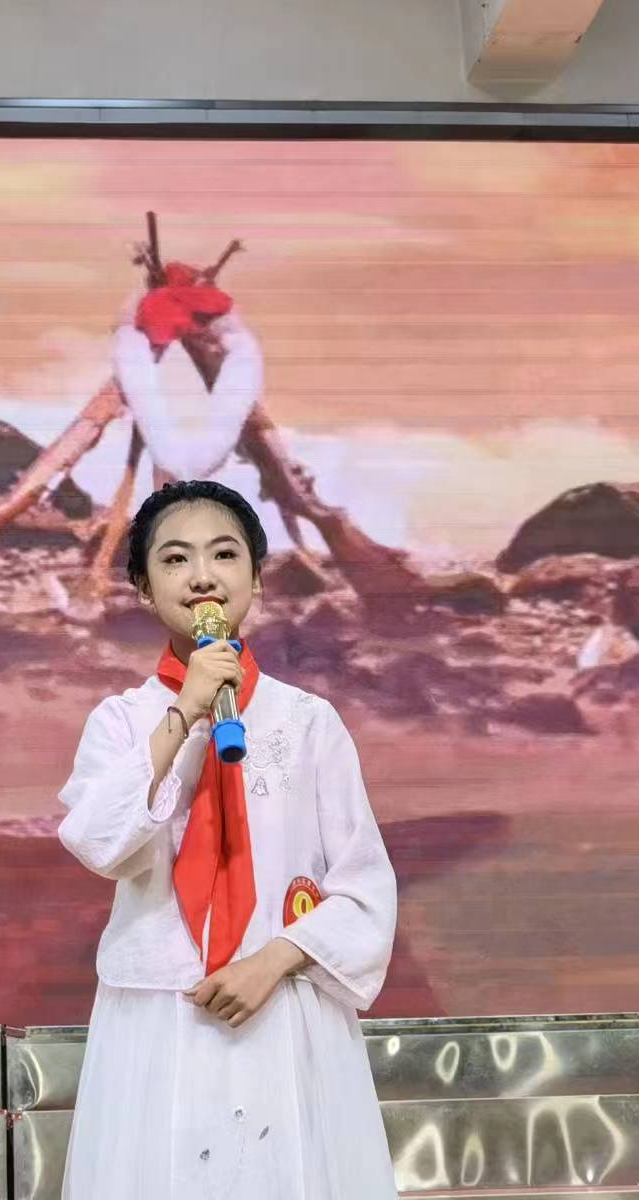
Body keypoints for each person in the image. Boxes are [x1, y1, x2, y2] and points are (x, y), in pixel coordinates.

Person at [54, 479, 400, 1199]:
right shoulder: (122, 722)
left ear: (256, 578)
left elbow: (364, 887)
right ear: (143, 589)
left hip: (283, 1011)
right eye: (175, 559)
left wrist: (272, 960)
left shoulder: (307, 722)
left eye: (224, 554)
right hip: (156, 1016)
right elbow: (97, 841)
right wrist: (184, 712)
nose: (203, 576)